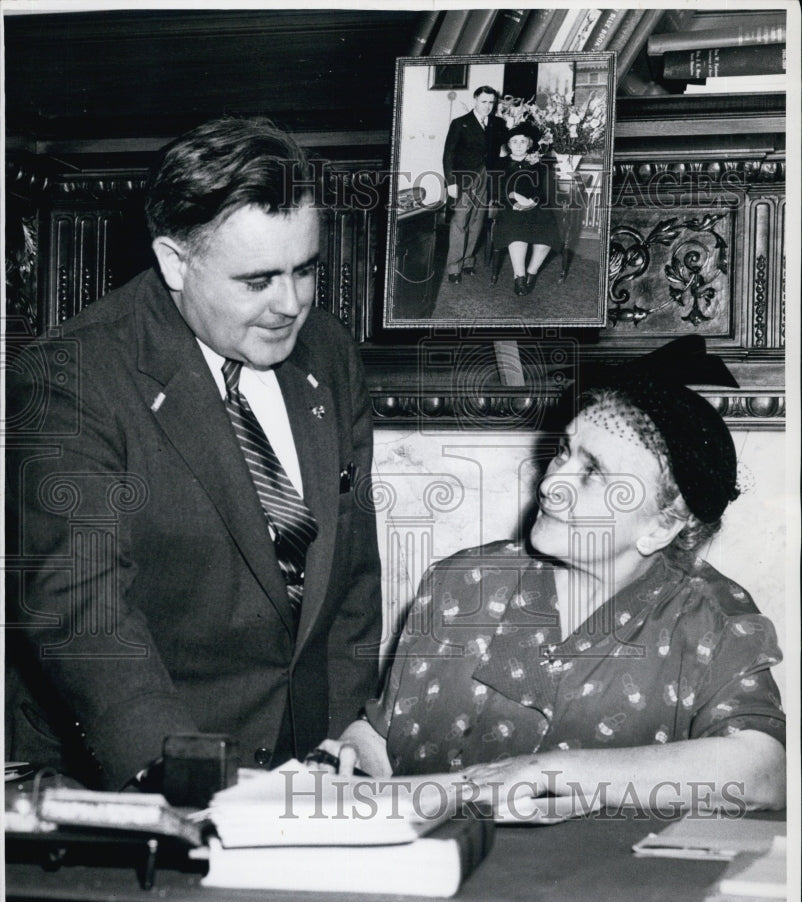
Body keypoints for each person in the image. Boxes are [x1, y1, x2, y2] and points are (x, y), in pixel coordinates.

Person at [5, 116, 382, 792]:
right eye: (257, 280)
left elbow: (351, 576)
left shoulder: (329, 354)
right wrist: (190, 778)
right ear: (176, 261)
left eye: (306, 270)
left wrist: (346, 723)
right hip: (138, 776)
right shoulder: (70, 378)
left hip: (307, 769)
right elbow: (85, 617)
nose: (290, 304)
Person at [319, 337, 786, 818]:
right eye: (564, 452)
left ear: (661, 524)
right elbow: (382, 735)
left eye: (593, 473)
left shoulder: (708, 619)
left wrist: (551, 773)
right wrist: (345, 763)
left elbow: (764, 769)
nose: (549, 483)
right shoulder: (461, 584)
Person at [491, 122, 560, 297]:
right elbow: (496, 189)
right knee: (516, 227)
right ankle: (519, 276)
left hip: (535, 206)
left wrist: (533, 201)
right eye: (515, 141)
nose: (519, 145)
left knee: (548, 226)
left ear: (529, 144)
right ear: (508, 145)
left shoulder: (538, 163)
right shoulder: (500, 164)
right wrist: (514, 199)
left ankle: (532, 272)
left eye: (523, 141)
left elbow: (544, 189)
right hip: (509, 207)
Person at [442, 85, 502, 285]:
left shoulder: (496, 124)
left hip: (487, 177)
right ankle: (454, 266)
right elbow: (448, 154)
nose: (488, 106)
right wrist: (450, 182)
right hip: (464, 178)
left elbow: (498, 151)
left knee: (477, 220)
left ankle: (468, 261)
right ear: (476, 100)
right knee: (461, 220)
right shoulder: (460, 123)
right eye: (484, 102)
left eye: (491, 102)